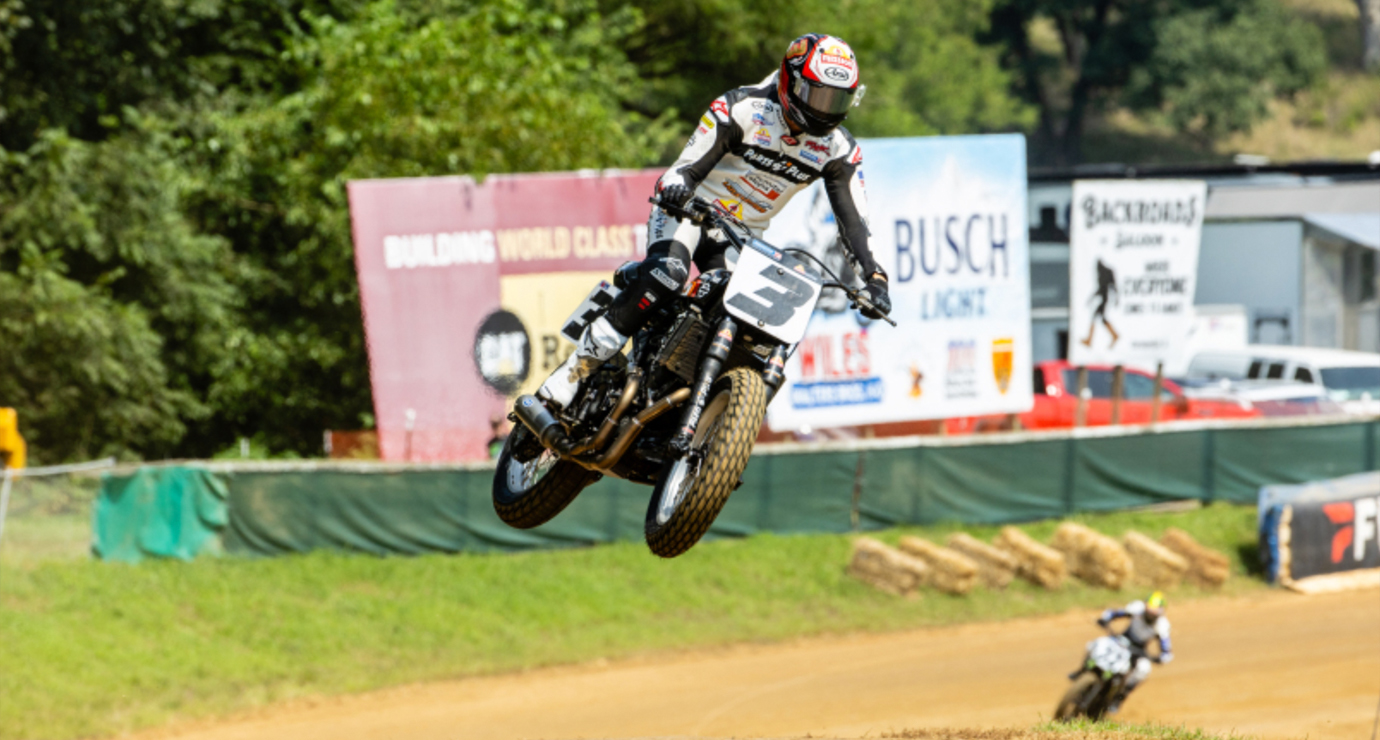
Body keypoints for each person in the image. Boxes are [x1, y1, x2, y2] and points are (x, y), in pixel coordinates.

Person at [538, 33, 891, 408]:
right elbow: (683, 170)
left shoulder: (839, 149)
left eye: (838, 100)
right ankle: (576, 370)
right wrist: (676, 188)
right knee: (669, 273)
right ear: (791, 80)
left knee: (749, 320)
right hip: (688, 210)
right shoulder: (741, 107)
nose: (825, 111)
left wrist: (874, 278)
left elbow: (855, 224)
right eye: (818, 96)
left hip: (741, 237)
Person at [1092, 591, 1174, 714]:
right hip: (1122, 640)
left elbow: (1166, 649)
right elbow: (1114, 613)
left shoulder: (1162, 625)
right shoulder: (1137, 609)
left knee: (1143, 670)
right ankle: (1083, 671)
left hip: (1138, 650)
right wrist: (1105, 619)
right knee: (1098, 644)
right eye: (1148, 612)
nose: (1150, 616)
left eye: (1153, 614)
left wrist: (1162, 657)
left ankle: (1119, 698)